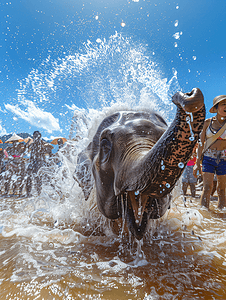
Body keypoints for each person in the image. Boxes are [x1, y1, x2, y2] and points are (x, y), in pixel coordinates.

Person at [193, 95, 226, 209]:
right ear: (216, 108)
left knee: (222, 190)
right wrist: (197, 164)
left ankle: (221, 218)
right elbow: (201, 144)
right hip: (208, 158)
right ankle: (204, 215)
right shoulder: (207, 123)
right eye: (223, 104)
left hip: (224, 159)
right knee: (207, 187)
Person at [25, 131, 46, 196]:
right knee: (28, 177)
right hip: (32, 162)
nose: (35, 137)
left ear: (39, 136)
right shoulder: (32, 143)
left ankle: (39, 192)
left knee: (38, 177)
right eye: (34, 135)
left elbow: (44, 153)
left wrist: (45, 162)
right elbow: (26, 149)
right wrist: (28, 142)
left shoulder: (42, 143)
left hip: (39, 162)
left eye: (36, 135)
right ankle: (28, 193)